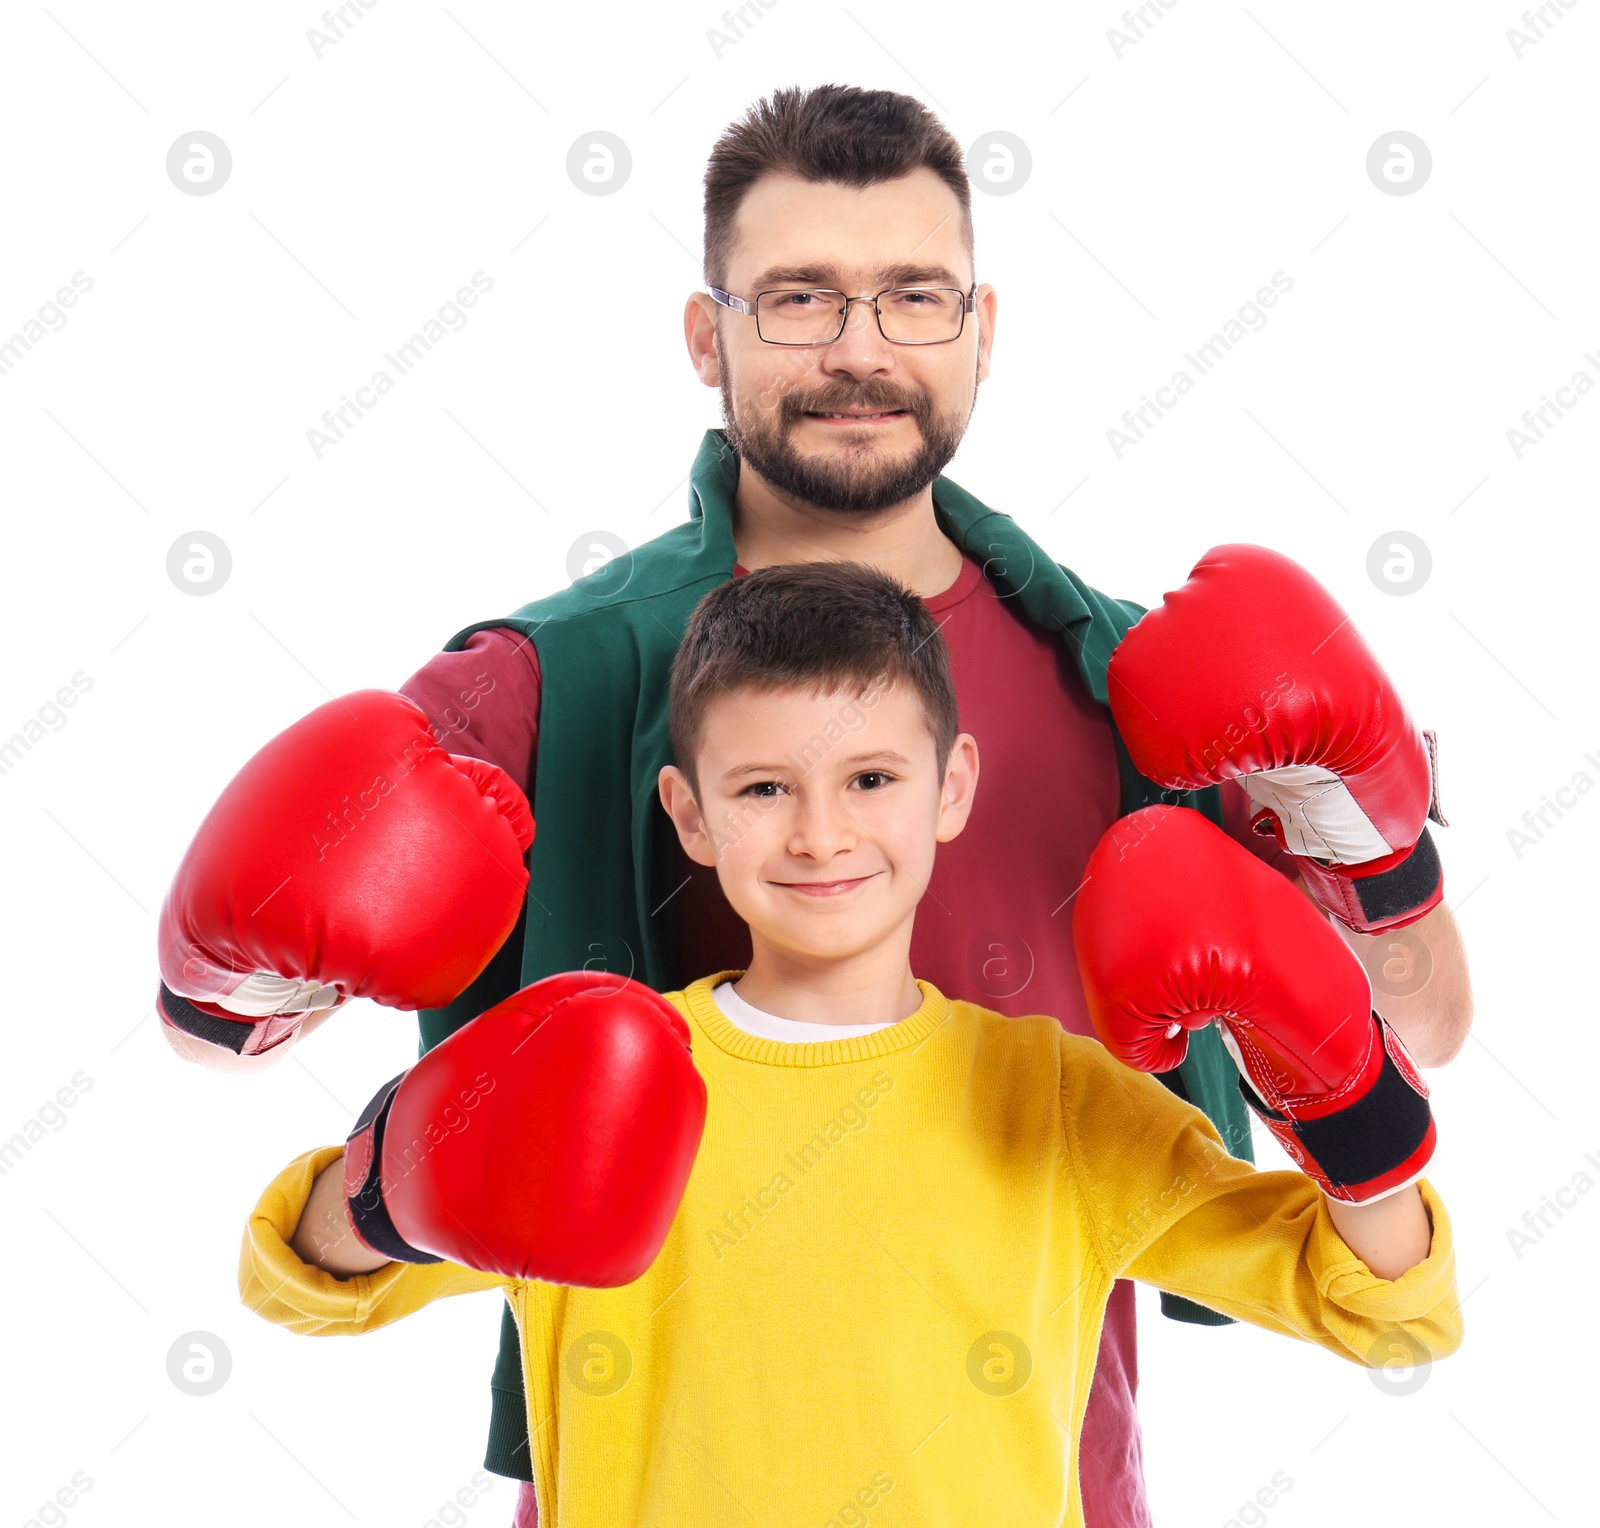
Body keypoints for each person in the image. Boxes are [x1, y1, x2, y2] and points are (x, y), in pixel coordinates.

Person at [158, 85, 1473, 1527]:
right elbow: (246, 1060)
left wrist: (1369, 842)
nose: (860, 350)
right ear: (706, 336)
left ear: (983, 329)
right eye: (798, 299)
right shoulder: (548, 682)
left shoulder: (1143, 677)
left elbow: (1413, 1041)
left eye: (914, 295)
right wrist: (273, 1033)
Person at [240, 562, 1463, 1527]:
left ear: (952, 788)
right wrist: (397, 1169)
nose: (822, 833)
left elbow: (1388, 1310)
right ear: (690, 813)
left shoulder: (1054, 1099)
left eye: (871, 777)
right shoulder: (597, 1069)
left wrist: (1345, 1090)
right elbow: (296, 1284)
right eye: (765, 788)